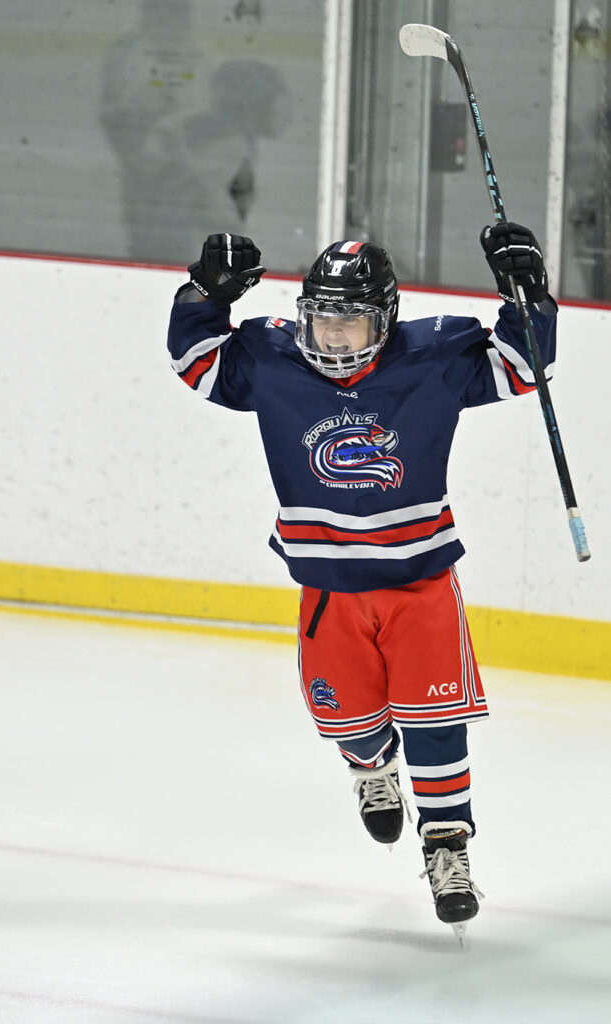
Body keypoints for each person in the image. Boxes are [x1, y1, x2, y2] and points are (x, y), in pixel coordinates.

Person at [167, 225, 556, 941]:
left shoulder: (432, 357)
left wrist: (526, 294)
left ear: (386, 320)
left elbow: (522, 366)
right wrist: (205, 293)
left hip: (420, 586)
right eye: (322, 319)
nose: (333, 335)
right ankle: (371, 767)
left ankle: (447, 849)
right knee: (350, 722)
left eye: (349, 322)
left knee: (435, 723)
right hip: (329, 592)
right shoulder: (275, 360)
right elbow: (196, 364)